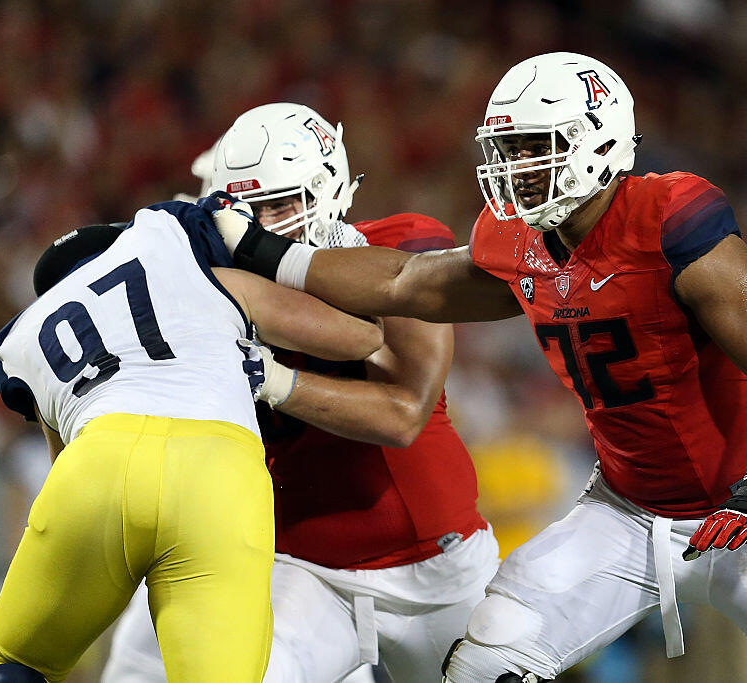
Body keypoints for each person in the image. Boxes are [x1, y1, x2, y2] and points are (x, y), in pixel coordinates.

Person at [212, 54, 747, 682]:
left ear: (599, 141)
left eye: (535, 146)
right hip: (627, 511)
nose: (517, 167)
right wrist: (268, 254)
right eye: (508, 149)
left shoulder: (665, 219)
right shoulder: (518, 242)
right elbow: (404, 281)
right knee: (488, 659)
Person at [101, 103, 500, 683]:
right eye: (247, 211)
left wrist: (272, 379)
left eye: (281, 204)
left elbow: (403, 414)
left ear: (328, 190)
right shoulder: (215, 289)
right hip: (303, 569)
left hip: (437, 568)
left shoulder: (394, 249)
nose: (262, 226)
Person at [0, 202, 382, 683]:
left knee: (12, 664)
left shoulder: (28, 334)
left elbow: (62, 466)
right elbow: (359, 340)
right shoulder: (182, 262)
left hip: (97, 466)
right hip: (218, 471)